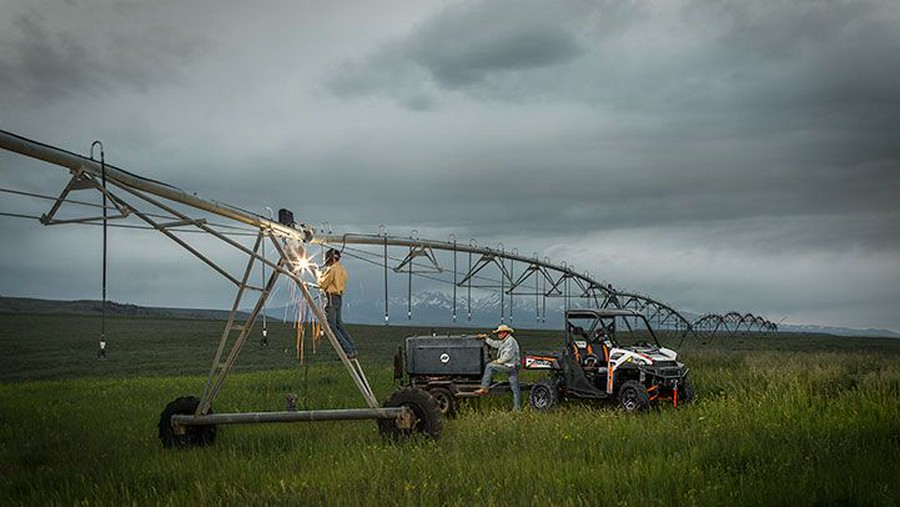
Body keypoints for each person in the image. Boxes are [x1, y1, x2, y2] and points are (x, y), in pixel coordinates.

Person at [316, 248, 357, 359]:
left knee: (331, 327)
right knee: (339, 325)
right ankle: (352, 348)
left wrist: (318, 274)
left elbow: (323, 284)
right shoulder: (342, 270)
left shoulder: (332, 270)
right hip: (339, 298)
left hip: (330, 298)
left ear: (330, 258)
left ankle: (347, 350)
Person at [474, 324, 521, 410]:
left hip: (510, 366)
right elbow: (496, 344)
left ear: (505, 333)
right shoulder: (506, 341)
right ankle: (517, 408)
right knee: (515, 388)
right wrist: (486, 338)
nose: (498, 335)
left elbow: (508, 356)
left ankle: (484, 387)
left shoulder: (510, 341)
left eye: (499, 333)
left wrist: (497, 361)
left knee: (490, 366)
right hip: (512, 366)